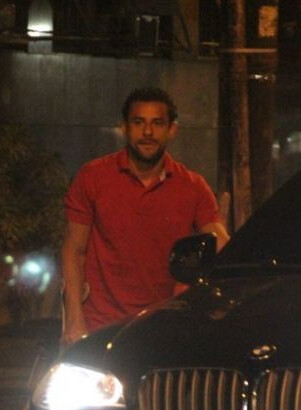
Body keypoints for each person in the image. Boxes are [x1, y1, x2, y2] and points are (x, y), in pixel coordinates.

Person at [60, 87, 229, 345]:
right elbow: (74, 249)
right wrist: (73, 321)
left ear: (172, 129)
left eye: (157, 123)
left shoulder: (193, 187)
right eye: (139, 123)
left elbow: (219, 242)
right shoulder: (92, 177)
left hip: (165, 328)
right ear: (124, 127)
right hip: (100, 326)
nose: (148, 132)